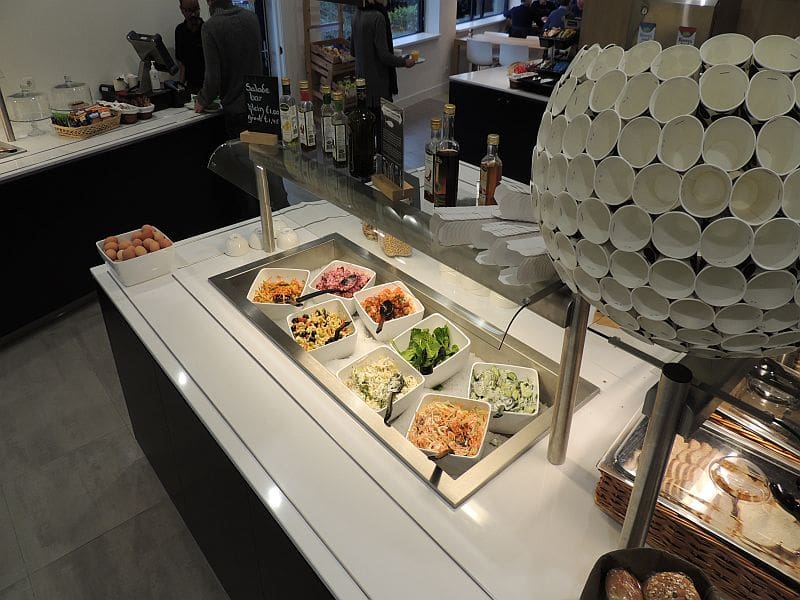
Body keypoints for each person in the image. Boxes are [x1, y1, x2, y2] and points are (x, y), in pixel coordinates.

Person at [195, 0, 288, 211]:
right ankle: (285, 218)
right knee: (273, 173)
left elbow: (213, 80)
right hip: (262, 105)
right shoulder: (251, 18)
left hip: (237, 112)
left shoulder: (210, 28)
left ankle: (258, 225)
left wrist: (201, 100)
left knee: (249, 183)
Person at [351, 0, 416, 149]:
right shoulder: (378, 17)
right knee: (383, 130)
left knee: (366, 128)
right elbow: (384, 56)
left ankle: (368, 157)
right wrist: (404, 62)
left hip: (362, 83)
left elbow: (353, 51)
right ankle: (381, 159)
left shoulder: (356, 15)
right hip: (378, 83)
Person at [175, 0, 205, 93]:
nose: (193, 14)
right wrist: (180, 87)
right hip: (191, 85)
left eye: (196, 9)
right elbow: (182, 63)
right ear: (181, 10)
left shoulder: (207, 30)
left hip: (209, 85)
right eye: (189, 10)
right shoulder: (180, 30)